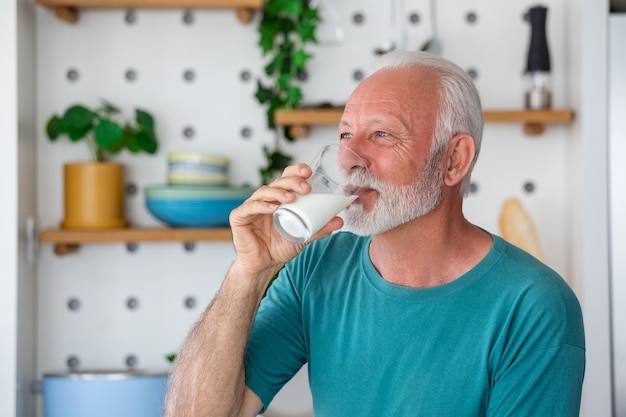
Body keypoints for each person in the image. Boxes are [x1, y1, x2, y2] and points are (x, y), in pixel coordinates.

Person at [164, 50, 585, 417]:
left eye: (382, 134)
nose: (347, 159)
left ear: (454, 160)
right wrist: (248, 273)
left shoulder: (533, 305)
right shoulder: (316, 269)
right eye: (346, 134)